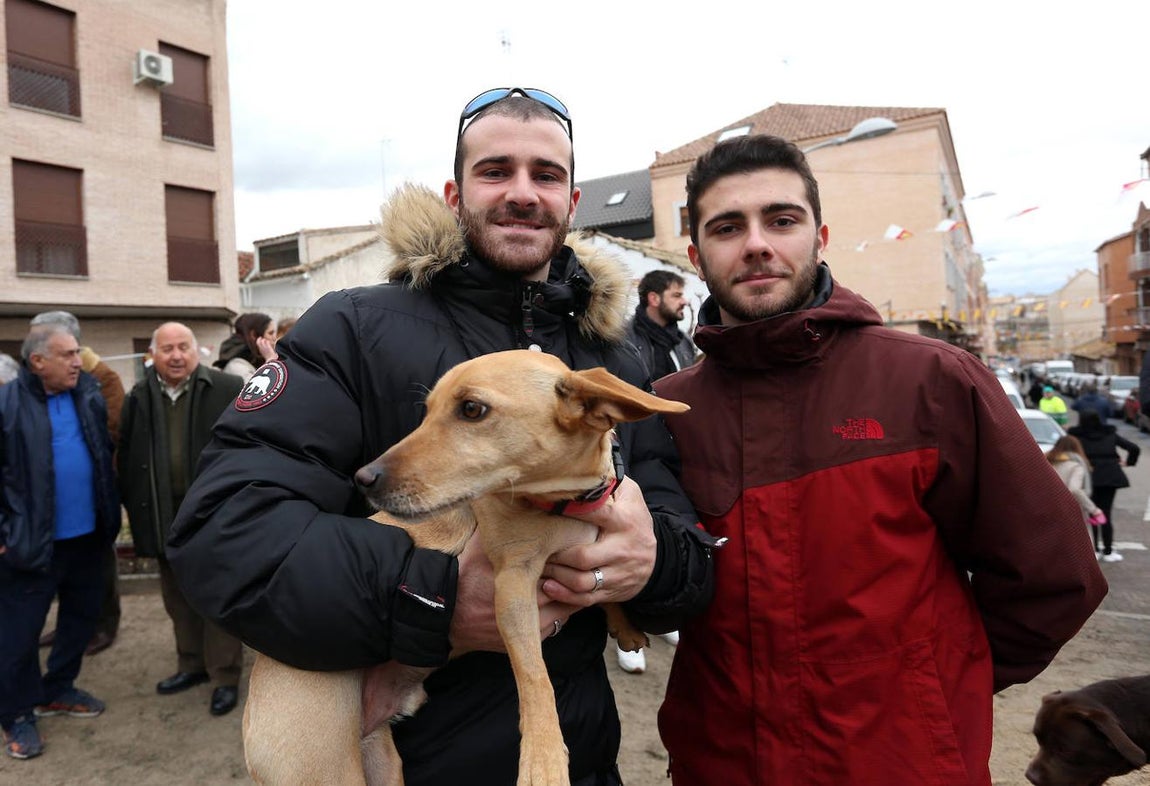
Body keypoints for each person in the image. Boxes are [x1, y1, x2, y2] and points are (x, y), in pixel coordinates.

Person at [166, 87, 715, 786]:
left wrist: (655, 560)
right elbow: (224, 531)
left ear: (573, 202)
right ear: (457, 194)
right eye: (496, 171)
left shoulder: (619, 358)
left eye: (545, 175)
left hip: (580, 758)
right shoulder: (353, 327)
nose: (522, 192)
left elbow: (685, 543)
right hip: (406, 750)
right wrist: (432, 598)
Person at [652, 134, 1108, 785]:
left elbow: (1056, 575)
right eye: (728, 227)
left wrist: (935, 686)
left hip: (901, 763)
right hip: (723, 764)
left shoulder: (934, 381)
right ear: (696, 255)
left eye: (781, 220)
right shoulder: (667, 410)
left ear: (820, 236)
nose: (756, 243)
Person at [0, 324, 120, 760]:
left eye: (78, 353)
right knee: (19, 634)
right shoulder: (7, 404)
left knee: (80, 620)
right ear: (38, 362)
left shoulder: (85, 393)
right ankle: (16, 713)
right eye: (68, 354)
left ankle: (58, 689)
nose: (77, 361)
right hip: (30, 544)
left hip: (87, 539)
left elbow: (101, 453)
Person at [118, 323, 245, 716]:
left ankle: (224, 675)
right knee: (176, 597)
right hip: (162, 513)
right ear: (152, 355)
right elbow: (127, 454)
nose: (176, 355)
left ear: (197, 351)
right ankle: (190, 665)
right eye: (167, 348)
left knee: (217, 596)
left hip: (213, 514)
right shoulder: (138, 396)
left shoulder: (226, 389)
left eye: (183, 347)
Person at [29, 311, 125, 657]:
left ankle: (104, 625)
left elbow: (111, 431)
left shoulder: (102, 378)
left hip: (97, 496)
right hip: (58, 508)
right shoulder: (45, 381)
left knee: (101, 566)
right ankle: (72, 626)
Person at [615, 269, 697, 674]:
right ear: (653, 299)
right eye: (677, 294)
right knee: (626, 537)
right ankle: (624, 628)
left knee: (665, 529)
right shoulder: (627, 343)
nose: (684, 301)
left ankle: (659, 617)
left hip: (677, 451)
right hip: (638, 453)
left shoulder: (682, 341)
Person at [1068, 409, 1140, 561]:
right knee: (1106, 512)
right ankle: (1108, 551)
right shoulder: (1109, 433)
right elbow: (1134, 448)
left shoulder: (1076, 436)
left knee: (1091, 512)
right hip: (1110, 475)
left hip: (1089, 476)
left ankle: (1093, 550)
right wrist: (1128, 463)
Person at [1045, 435, 1106, 531]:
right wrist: (1094, 510)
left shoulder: (1047, 462)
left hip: (1046, 509)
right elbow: (1074, 489)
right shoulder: (1076, 466)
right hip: (1070, 512)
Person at [213, 312, 277, 382]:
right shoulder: (237, 366)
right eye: (270, 333)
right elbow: (260, 390)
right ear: (254, 335)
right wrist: (270, 361)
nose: (274, 338)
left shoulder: (257, 361)